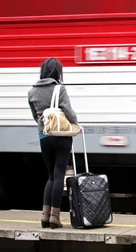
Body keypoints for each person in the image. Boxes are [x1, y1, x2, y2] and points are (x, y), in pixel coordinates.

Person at [28, 58, 78, 229]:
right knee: (59, 175)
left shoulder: (32, 92)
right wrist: (76, 125)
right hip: (61, 136)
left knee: (50, 176)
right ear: (57, 72)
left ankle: (45, 216)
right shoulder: (59, 88)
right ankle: (55, 217)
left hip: (44, 136)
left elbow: (35, 116)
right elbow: (68, 111)